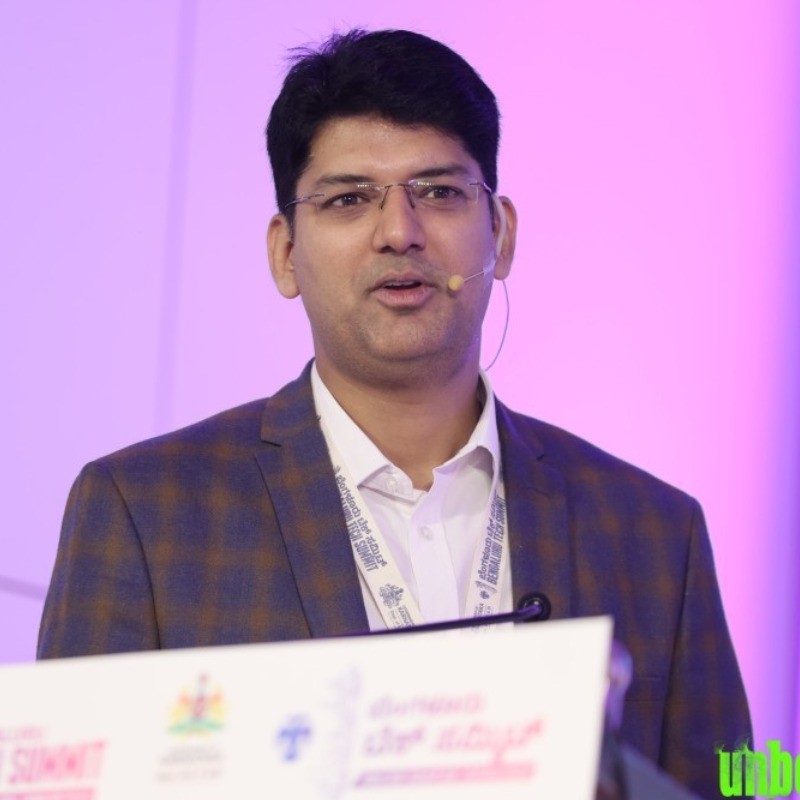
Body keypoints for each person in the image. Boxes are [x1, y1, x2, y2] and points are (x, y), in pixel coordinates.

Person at [39, 29, 750, 797]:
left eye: (439, 192)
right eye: (348, 199)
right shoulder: (147, 513)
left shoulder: (653, 533)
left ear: (501, 232)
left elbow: (742, 783)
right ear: (285, 253)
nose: (399, 232)